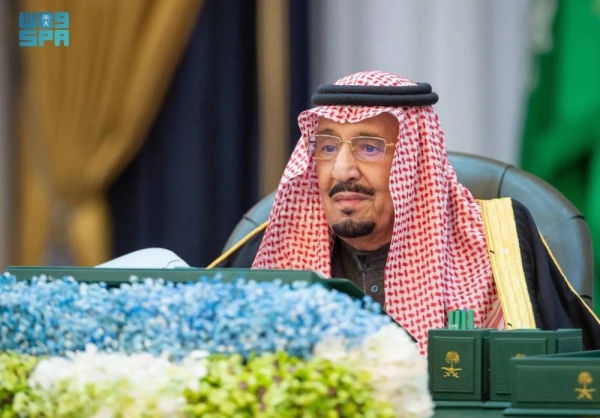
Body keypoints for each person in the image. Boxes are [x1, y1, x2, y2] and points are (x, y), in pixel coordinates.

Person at [219, 71, 600, 355]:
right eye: (327, 148)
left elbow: (573, 379)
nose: (341, 171)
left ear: (413, 161)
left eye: (369, 148)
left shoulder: (501, 242)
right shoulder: (267, 252)